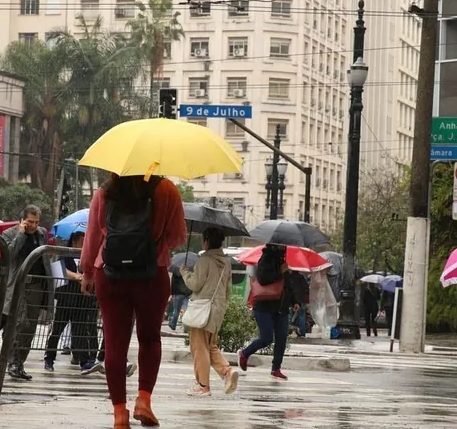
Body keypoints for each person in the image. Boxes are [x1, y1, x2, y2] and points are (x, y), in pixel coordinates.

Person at [80, 173, 186, 429]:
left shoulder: (104, 193)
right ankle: (143, 401)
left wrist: (87, 272)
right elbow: (177, 238)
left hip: (110, 273)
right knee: (150, 339)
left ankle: (119, 414)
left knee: (115, 343)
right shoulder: (166, 190)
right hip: (152, 271)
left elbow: (93, 237)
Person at [180, 227, 239, 396]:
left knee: (199, 348)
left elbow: (194, 284)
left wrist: (185, 273)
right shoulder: (226, 262)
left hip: (202, 308)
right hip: (217, 309)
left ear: (206, 240)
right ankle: (227, 372)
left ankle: (203, 386)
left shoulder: (205, 260)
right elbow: (228, 289)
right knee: (210, 345)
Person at [2, 205, 55, 381]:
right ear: (23, 220)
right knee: (20, 323)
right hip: (20, 285)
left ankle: (20, 363)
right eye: (30, 222)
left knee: (31, 327)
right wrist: (21, 234)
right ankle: (12, 361)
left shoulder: (41, 234)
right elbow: (9, 254)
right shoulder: (10, 233)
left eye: (36, 222)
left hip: (37, 286)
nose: (33, 225)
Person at [238, 244, 303, 380]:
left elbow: (288, 283)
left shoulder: (283, 261)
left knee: (281, 338)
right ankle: (245, 353)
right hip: (264, 306)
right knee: (266, 338)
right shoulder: (265, 259)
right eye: (281, 245)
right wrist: (280, 271)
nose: (283, 248)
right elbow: (263, 279)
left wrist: (295, 301)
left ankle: (276, 368)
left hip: (281, 306)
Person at [44, 231, 103, 375]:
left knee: (80, 331)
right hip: (66, 298)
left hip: (82, 299)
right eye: (82, 241)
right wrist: (76, 276)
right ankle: (49, 358)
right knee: (57, 329)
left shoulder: (89, 255)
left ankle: (83, 361)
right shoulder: (65, 254)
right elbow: (60, 270)